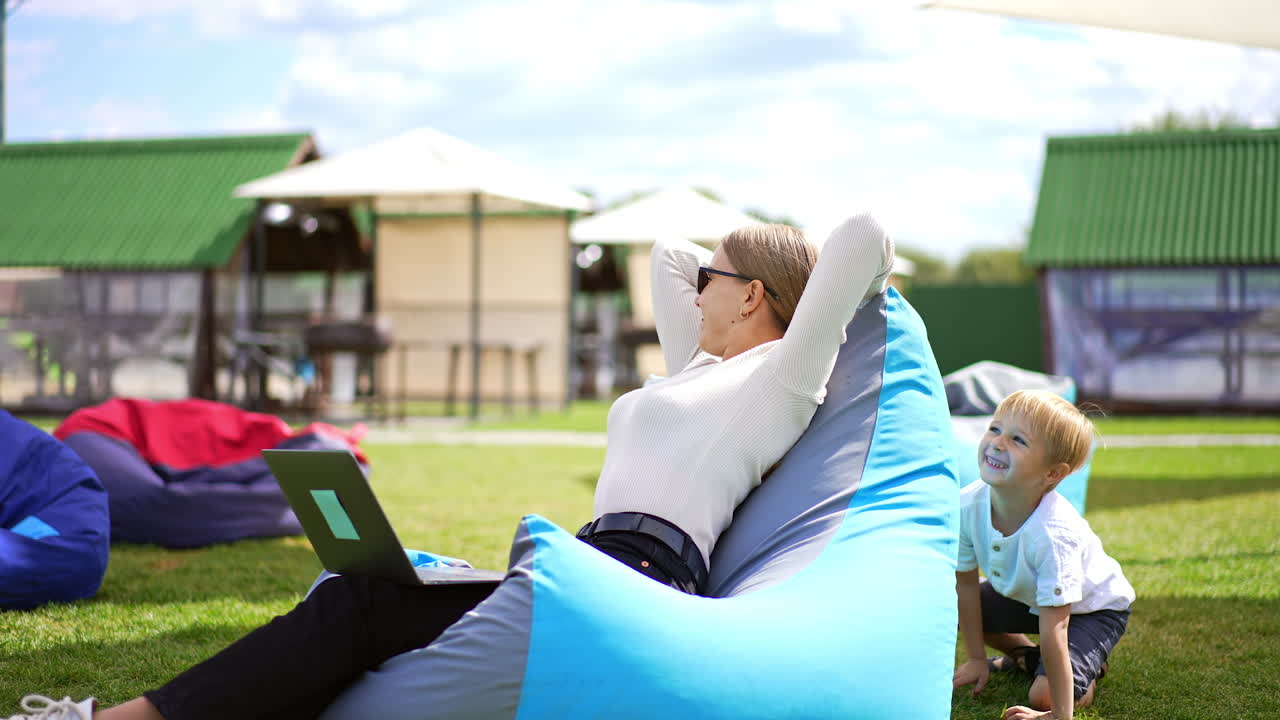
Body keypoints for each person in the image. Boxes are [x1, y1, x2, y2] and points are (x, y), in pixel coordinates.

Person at [13, 214, 894, 720]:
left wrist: (799, 278)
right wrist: (722, 259)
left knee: (362, 603)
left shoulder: (779, 381)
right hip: (586, 561)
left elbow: (865, 239)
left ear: (752, 297)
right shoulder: (700, 372)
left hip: (635, 581)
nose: (691, 286)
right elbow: (668, 252)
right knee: (351, 586)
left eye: (716, 278)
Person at [951, 390, 1135, 720]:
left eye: (1018, 440)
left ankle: (1082, 673)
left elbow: (1056, 628)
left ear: (1052, 474)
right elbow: (964, 587)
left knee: (1043, 695)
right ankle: (1025, 657)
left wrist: (1057, 716)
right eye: (995, 429)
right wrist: (977, 658)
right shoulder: (966, 505)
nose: (997, 443)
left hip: (1091, 608)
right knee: (965, 603)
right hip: (1030, 596)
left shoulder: (1053, 534)